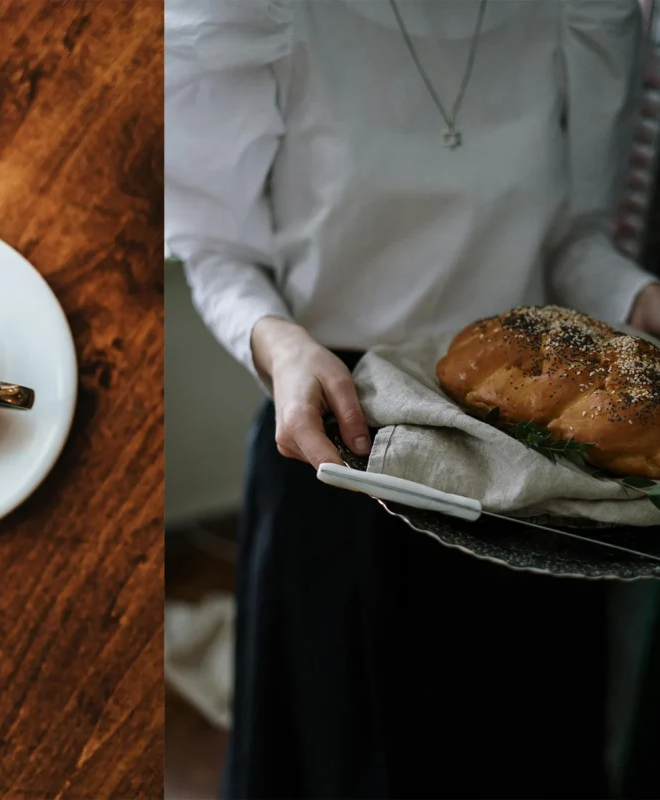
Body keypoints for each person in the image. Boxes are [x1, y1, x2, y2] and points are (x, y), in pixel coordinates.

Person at [165, 1, 660, 797]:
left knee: (515, 751)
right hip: (338, 434)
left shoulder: (577, 14)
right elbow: (216, 250)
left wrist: (639, 298)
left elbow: (570, 244)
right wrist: (282, 345)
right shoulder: (264, 16)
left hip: (525, 467)